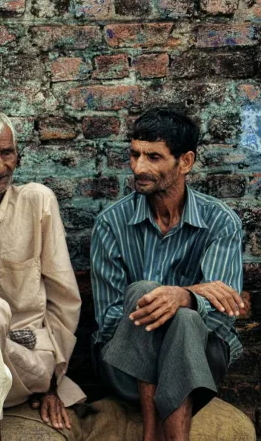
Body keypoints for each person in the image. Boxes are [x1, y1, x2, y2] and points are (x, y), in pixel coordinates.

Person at [91, 107, 245, 441]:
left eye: (154, 157)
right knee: (147, 291)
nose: (139, 167)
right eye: (135, 155)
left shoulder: (220, 222)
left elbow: (223, 319)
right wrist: (184, 296)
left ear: (185, 162)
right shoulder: (111, 223)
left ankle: (153, 435)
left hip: (199, 368)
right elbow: (107, 321)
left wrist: (184, 298)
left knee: (188, 320)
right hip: (124, 370)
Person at [0, 112, 85, 434]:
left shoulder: (37, 201)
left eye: (7, 153)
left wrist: (54, 384)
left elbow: (64, 299)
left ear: (19, 155)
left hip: (28, 357)